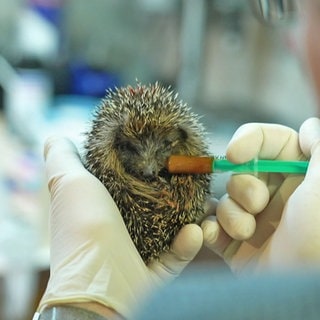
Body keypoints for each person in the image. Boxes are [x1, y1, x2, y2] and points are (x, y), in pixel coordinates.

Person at [34, 0, 320, 319]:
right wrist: (293, 291)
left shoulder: (178, 309)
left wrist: (86, 309)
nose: (290, 38)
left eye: (300, 11)